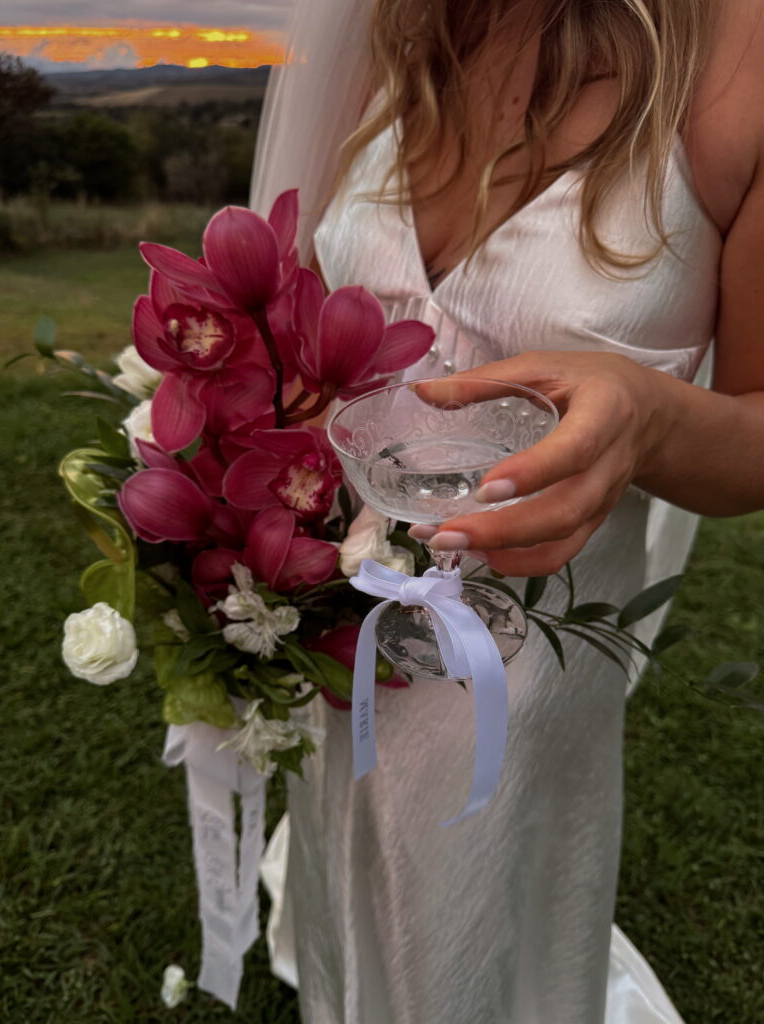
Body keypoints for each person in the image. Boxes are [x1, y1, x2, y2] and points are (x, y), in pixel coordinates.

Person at [251, 1, 764, 1021]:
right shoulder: (390, 28)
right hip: (337, 630)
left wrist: (652, 419)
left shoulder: (739, 53)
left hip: (525, 678)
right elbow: (296, 317)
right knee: (340, 868)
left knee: (484, 923)